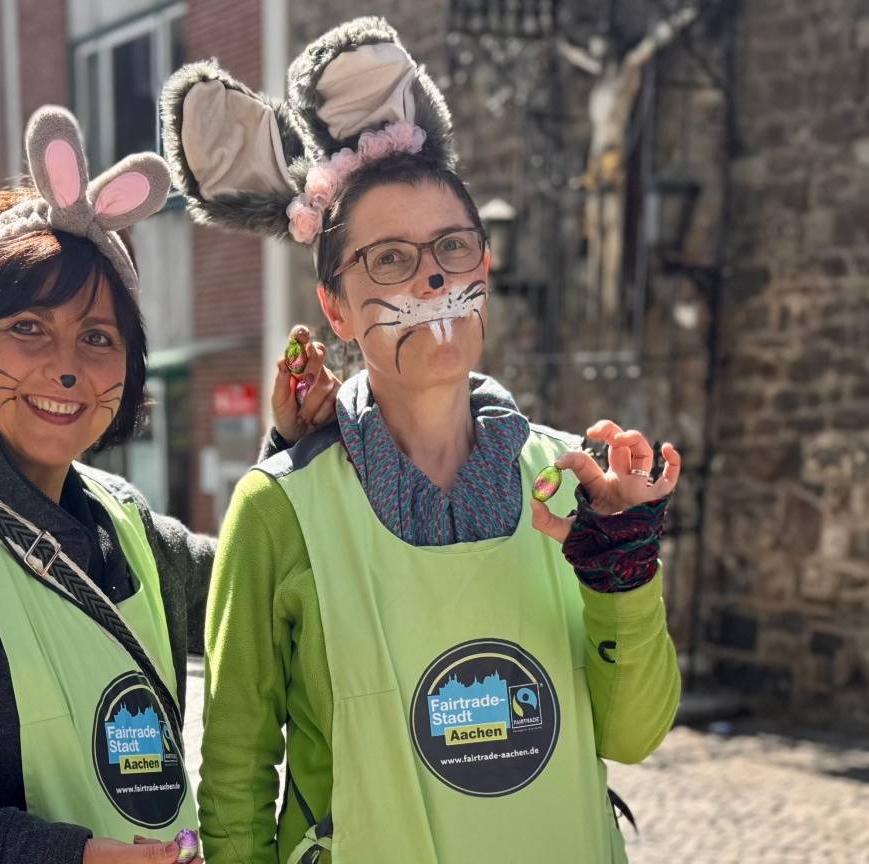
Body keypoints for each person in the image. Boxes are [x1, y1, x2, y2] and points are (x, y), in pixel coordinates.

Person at [165, 20, 683, 862]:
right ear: (334, 307)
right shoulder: (279, 508)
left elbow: (635, 733)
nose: (433, 278)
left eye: (451, 248)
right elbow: (235, 770)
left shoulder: (569, 482)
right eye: (392, 259)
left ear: (484, 268)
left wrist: (621, 565)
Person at [0, 106, 337, 864]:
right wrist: (66, 858)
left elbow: (257, 591)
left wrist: (289, 448)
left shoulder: (130, 525)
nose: (68, 367)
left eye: (99, 338)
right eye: (28, 329)